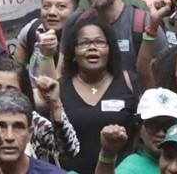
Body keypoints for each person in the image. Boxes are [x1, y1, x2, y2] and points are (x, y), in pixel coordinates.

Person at [56, 15, 137, 174]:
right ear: (73, 53)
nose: (92, 47)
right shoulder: (59, 88)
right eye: (84, 43)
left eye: (99, 42)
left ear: (110, 49)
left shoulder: (130, 82)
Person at [93, 87, 177, 174]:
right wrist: (107, 154)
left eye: (168, 125)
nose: (161, 133)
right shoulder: (130, 168)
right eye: (153, 125)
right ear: (140, 128)